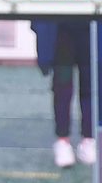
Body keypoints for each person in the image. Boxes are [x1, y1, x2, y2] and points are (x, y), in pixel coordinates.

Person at [30, 18, 96, 167]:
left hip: (91, 24)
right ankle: (62, 141)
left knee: (91, 86)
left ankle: (89, 140)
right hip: (61, 27)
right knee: (63, 89)